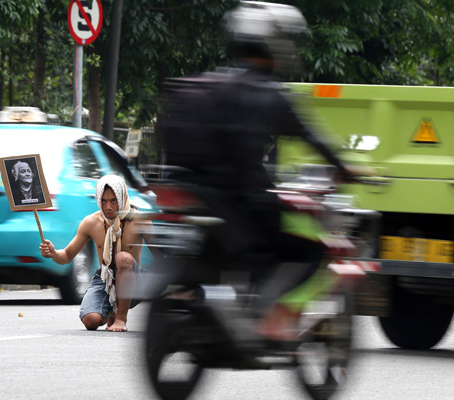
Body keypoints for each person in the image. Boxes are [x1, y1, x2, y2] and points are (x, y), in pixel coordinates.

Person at [158, 2, 366, 341]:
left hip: (193, 195)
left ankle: (204, 299)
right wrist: (346, 168)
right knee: (312, 250)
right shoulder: (270, 94)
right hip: (244, 203)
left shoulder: (209, 86)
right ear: (278, 44)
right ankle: (275, 318)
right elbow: (313, 136)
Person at [39, 174, 152, 332]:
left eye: (113, 200)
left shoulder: (140, 220)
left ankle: (121, 318)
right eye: (103, 201)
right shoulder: (91, 222)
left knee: (123, 258)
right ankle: (109, 312)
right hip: (105, 279)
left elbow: (162, 255)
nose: (108, 207)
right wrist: (52, 253)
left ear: (122, 197)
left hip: (135, 284)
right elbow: (66, 256)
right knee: (90, 321)